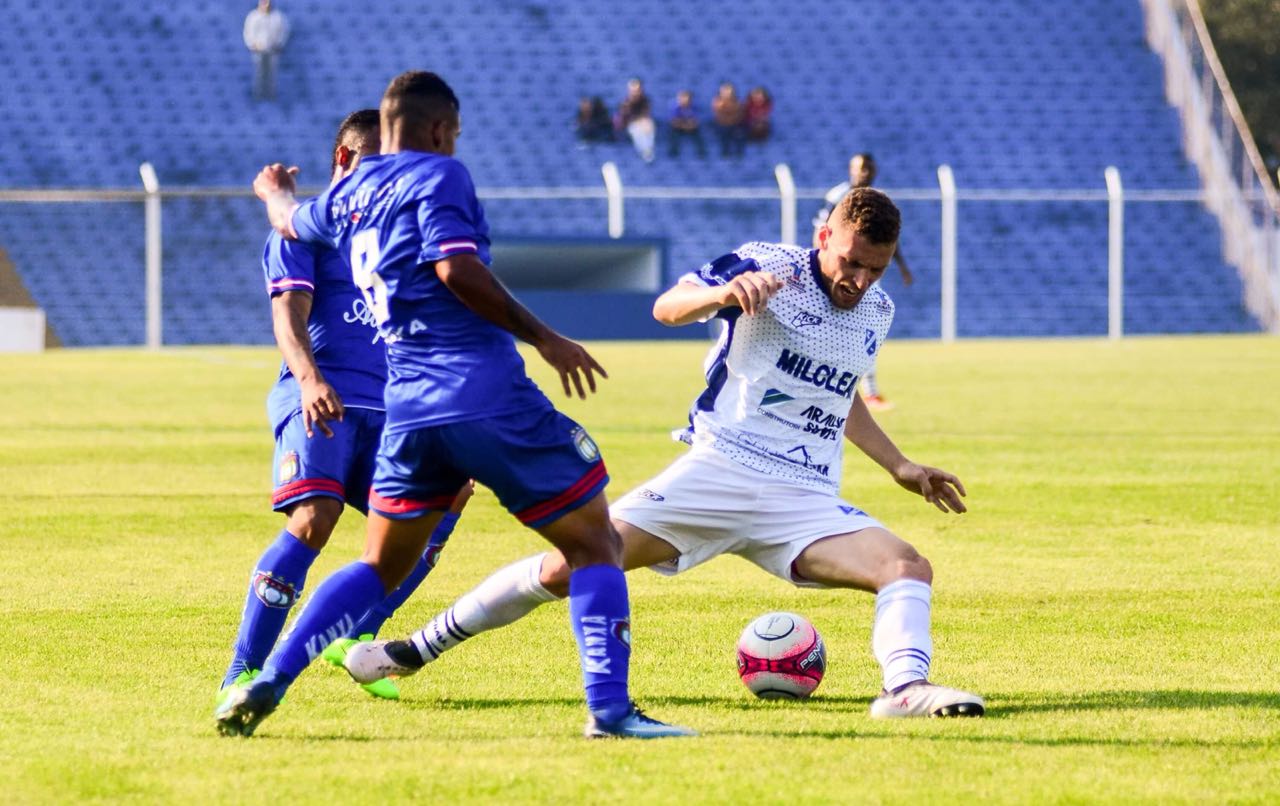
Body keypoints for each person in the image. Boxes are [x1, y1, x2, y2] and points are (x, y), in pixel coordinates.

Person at [344, 188, 985, 720]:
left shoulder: (876, 311)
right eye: (851, 262)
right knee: (570, 566)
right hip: (718, 471)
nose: (860, 280)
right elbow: (666, 307)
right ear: (824, 237)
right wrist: (723, 294)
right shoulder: (767, 263)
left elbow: (839, 394)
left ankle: (904, 689)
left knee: (906, 566)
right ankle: (414, 649)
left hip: (803, 498)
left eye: (876, 269)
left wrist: (899, 465)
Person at [216, 70, 693, 740]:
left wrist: (273, 189)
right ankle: (610, 711)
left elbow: (289, 218)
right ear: (440, 130)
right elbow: (455, 268)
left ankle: (271, 679)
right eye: (456, 134)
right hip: (482, 391)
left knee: (379, 565)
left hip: (407, 412)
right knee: (596, 542)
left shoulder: (347, 197)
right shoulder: (440, 176)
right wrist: (546, 338)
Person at [216, 109, 470, 706]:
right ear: (344, 159)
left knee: (444, 501)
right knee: (315, 518)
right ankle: (242, 672)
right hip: (321, 397)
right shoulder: (304, 230)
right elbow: (288, 314)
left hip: (391, 412)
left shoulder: (395, 237)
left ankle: (354, 635)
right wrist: (310, 381)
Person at [812, 154, 913, 411]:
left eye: (868, 168)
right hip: (838, 274)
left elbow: (887, 242)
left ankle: (869, 392)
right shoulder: (838, 196)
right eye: (860, 168)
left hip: (867, 278)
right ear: (851, 170)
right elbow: (821, 231)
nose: (864, 173)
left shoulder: (880, 201)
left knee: (866, 334)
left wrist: (902, 267)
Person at [243, 0, 290, 101]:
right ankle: (258, 94)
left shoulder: (278, 17)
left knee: (272, 73)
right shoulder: (253, 17)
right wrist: (252, 44)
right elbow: (248, 32)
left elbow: (284, 32)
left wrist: (279, 44)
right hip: (258, 50)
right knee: (258, 72)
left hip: (273, 50)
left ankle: (271, 94)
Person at [616, 78, 656, 162]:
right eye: (633, 90)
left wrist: (642, 121)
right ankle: (644, 151)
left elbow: (646, 114)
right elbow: (623, 119)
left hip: (643, 124)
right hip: (629, 126)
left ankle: (648, 150)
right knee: (636, 129)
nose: (635, 92)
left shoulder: (645, 101)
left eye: (637, 90)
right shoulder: (625, 102)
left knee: (648, 125)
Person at [667, 90, 707, 158]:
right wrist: (684, 124)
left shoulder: (694, 107)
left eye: (687, 99)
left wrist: (689, 124)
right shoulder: (675, 107)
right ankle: (673, 153)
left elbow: (696, 121)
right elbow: (673, 121)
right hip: (679, 128)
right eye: (682, 98)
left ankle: (702, 153)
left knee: (698, 136)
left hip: (691, 127)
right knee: (674, 135)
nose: (685, 101)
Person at [711, 82, 745, 158]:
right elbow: (718, 113)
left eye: (729, 92)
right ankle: (725, 152)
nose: (727, 94)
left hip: (734, 123)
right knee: (724, 135)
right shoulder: (717, 101)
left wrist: (733, 117)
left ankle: (739, 153)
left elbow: (739, 112)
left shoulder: (737, 101)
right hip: (722, 123)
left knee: (739, 135)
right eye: (725, 92)